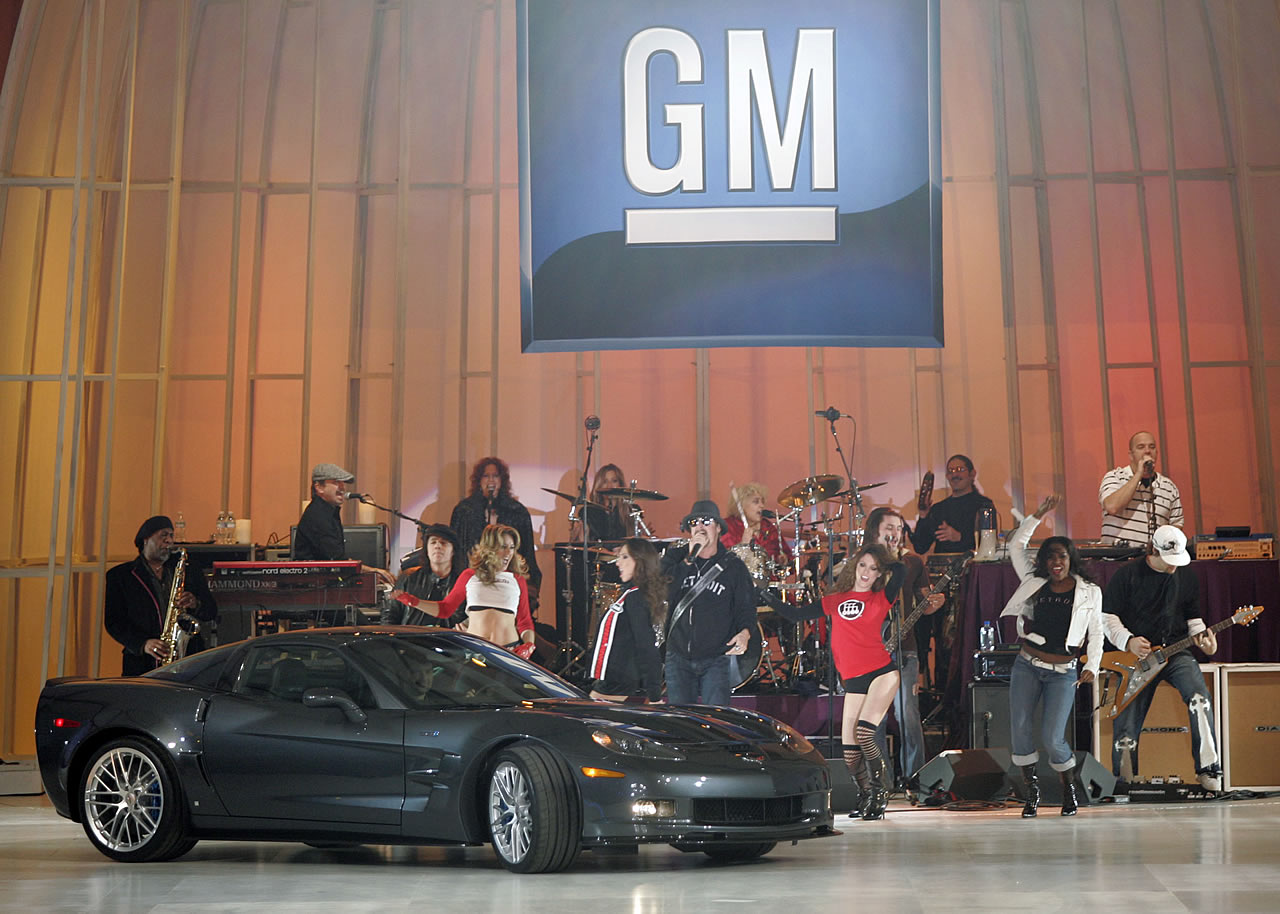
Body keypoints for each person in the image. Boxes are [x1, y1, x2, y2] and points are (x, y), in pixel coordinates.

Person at [763, 544, 905, 820]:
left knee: (865, 733)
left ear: (879, 574)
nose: (866, 572)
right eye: (863, 565)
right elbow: (795, 615)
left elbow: (901, 569)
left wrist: (883, 556)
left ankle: (880, 793)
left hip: (881, 673)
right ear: (854, 566)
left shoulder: (881, 598)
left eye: (873, 568)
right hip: (853, 680)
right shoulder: (836, 600)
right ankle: (865, 795)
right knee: (850, 750)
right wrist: (767, 597)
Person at [999, 494, 1104, 817]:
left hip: (1063, 672)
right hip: (1027, 666)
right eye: (1050, 558)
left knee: (1053, 738)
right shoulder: (1034, 582)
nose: (1056, 563)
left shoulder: (1089, 591)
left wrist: (1094, 666)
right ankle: (1032, 793)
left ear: (1071, 559)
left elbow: (1096, 632)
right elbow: (1016, 546)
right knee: (1019, 729)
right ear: (1044, 562)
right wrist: (1036, 516)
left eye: (1061, 557)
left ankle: (1068, 790)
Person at [1101, 524, 1222, 791]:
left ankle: (1209, 770)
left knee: (1199, 698)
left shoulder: (1186, 577)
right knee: (1127, 715)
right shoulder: (1126, 576)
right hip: (1138, 659)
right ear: (1153, 550)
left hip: (1176, 651)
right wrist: (1128, 641)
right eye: (1168, 561)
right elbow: (1107, 617)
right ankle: (1123, 779)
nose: (1172, 567)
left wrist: (1205, 639)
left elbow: (1194, 620)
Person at [864, 507, 945, 787]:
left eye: (899, 528)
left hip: (906, 649)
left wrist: (935, 603)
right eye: (889, 528)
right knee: (874, 718)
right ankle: (880, 781)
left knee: (908, 713)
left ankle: (916, 779)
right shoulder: (864, 564)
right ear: (875, 531)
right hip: (872, 652)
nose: (895, 534)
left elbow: (925, 602)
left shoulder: (912, 562)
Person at [660, 500, 756, 707]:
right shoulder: (675, 558)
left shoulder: (733, 566)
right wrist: (688, 560)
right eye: (695, 522)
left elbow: (746, 607)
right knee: (683, 723)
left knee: (717, 720)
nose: (700, 527)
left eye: (706, 521)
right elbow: (662, 591)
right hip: (678, 657)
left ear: (718, 527)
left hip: (715, 658)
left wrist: (745, 632)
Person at [104, 515, 218, 676]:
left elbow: (211, 611)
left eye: (171, 536)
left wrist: (195, 603)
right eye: (163, 535)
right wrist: (143, 644)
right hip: (143, 663)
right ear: (145, 540)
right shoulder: (120, 576)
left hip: (189, 660)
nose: (169, 541)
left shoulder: (188, 570)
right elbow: (114, 622)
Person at [415, 524, 536, 657]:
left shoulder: (517, 580)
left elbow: (525, 621)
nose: (508, 552)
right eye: (503, 547)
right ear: (490, 548)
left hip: (508, 651)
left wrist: (529, 645)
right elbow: (445, 608)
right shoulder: (469, 576)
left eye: (512, 547)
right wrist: (413, 602)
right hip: (474, 649)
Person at [450, 457, 542, 609]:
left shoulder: (517, 511)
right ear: (479, 480)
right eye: (486, 476)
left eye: (495, 476)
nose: (491, 480)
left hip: (507, 581)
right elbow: (456, 550)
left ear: (502, 480)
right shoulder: (464, 510)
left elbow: (527, 552)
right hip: (475, 580)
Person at [588, 538, 666, 703]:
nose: (618, 563)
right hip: (613, 681)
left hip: (620, 682)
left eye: (624, 557)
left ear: (639, 561)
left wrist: (654, 694)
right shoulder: (631, 593)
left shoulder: (636, 597)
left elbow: (646, 644)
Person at [294, 462, 394, 584]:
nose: (342, 488)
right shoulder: (318, 515)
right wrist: (372, 571)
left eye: (342, 483)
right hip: (314, 588)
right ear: (319, 487)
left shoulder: (327, 512)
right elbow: (336, 560)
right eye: (336, 483)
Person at [1099, 431, 1184, 546]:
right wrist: (1139, 474)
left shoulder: (1169, 487)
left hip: (1153, 561)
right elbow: (1112, 507)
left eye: (1152, 447)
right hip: (1117, 560)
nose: (1147, 451)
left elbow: (1176, 524)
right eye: (1141, 447)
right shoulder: (1115, 477)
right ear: (1131, 455)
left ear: (1157, 453)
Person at [909, 454, 995, 555]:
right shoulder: (938, 509)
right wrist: (923, 516)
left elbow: (990, 543)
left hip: (974, 568)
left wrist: (959, 537)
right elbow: (920, 547)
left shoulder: (984, 505)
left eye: (960, 469)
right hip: (942, 568)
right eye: (951, 471)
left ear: (972, 474)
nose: (954, 475)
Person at [390, 523, 465, 626]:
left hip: (448, 639)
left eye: (443, 543)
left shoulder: (463, 581)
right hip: (411, 638)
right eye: (433, 542)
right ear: (426, 550)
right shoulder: (409, 577)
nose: (437, 546)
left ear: (453, 551)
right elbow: (390, 615)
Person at [721, 482, 791, 564]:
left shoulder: (767, 526)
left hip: (768, 576)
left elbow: (788, 556)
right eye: (756, 502)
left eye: (762, 502)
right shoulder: (728, 526)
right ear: (742, 505)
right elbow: (722, 561)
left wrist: (783, 560)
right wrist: (742, 545)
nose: (761, 505)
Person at [572, 463, 630, 541]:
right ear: (599, 485)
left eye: (614, 481)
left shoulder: (629, 511)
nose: (609, 486)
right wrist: (577, 535)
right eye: (605, 482)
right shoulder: (588, 512)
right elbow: (581, 544)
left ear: (620, 484)